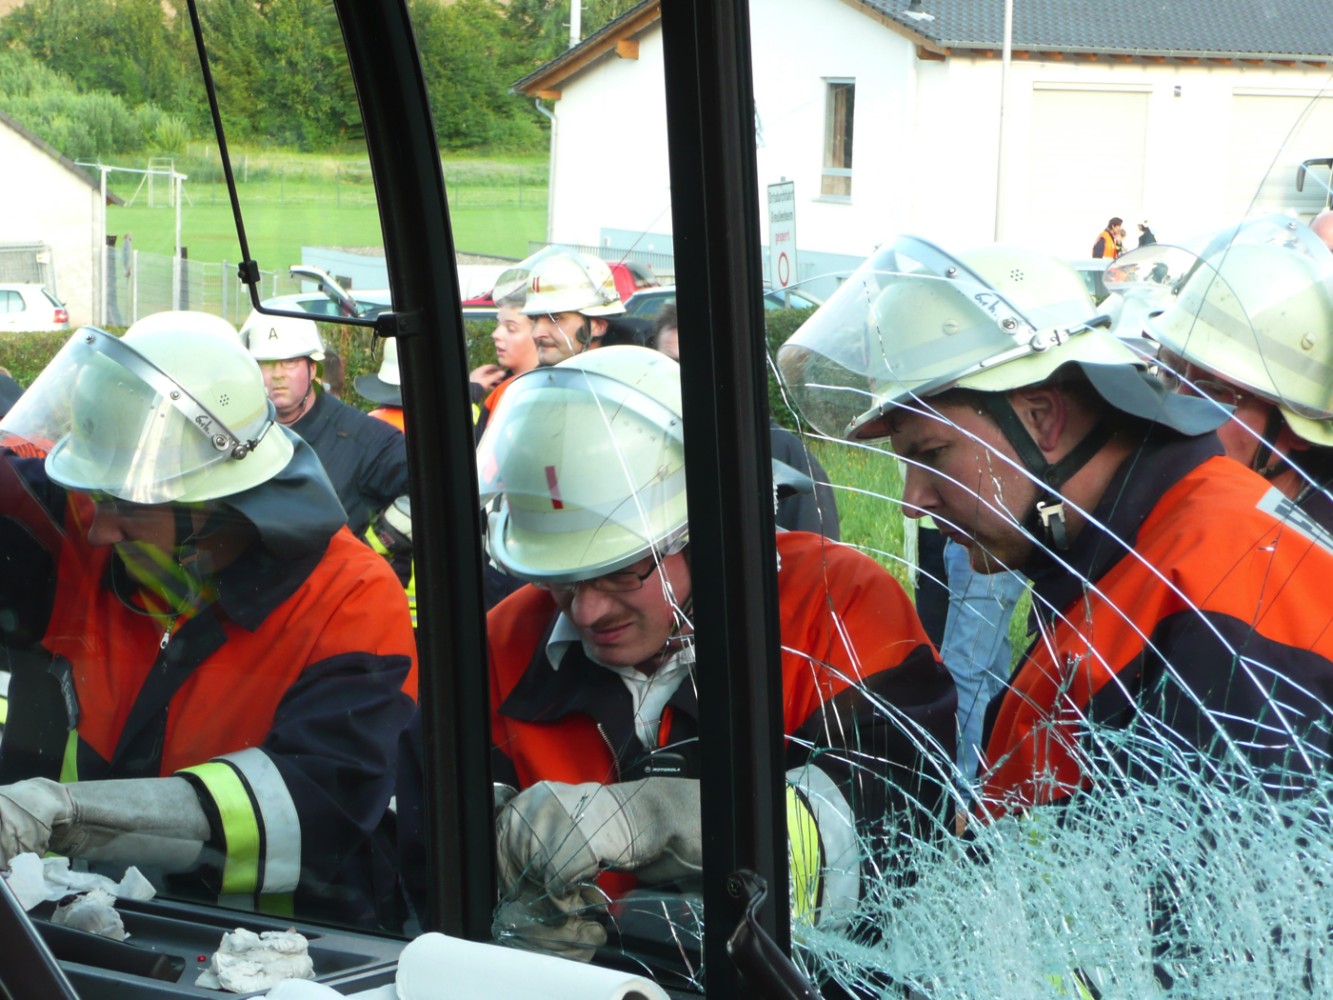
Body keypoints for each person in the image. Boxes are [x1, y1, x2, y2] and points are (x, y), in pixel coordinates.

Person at [400, 346, 956, 952]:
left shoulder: (838, 605)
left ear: (703, 530)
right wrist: (503, 921)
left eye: (622, 570)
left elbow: (901, 838)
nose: (586, 611)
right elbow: (421, 865)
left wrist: (663, 817)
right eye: (560, 578)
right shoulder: (495, 649)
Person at [779, 235, 1333, 822]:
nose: (912, 502)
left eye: (934, 453)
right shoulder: (1124, 550)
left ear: (1041, 418)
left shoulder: (1220, 593)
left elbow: (1238, 876)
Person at [0, 313, 417, 926]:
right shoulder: (100, 525)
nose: (98, 528)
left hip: (269, 950)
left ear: (215, 502)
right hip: (74, 927)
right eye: (99, 496)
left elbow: (317, 801)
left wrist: (71, 813)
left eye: (126, 504)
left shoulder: (349, 596)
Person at [1148, 223, 1333, 530]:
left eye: (1213, 393)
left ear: (1300, 432)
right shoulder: (1148, 499)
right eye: (1170, 373)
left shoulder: (1316, 550)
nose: (1175, 408)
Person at [651, 301, 842, 539]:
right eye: (670, 364)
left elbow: (815, 555)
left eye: (699, 364)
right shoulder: (647, 447)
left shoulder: (785, 456)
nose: (681, 377)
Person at [241, 311, 409, 537]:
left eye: (290, 362)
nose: (278, 375)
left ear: (312, 369)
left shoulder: (366, 440)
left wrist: (377, 544)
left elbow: (428, 487)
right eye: (267, 364)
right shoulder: (242, 436)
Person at [492, 247, 630, 367]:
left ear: (597, 326)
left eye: (554, 319)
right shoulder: (539, 384)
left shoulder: (625, 383)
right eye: (535, 319)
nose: (536, 333)